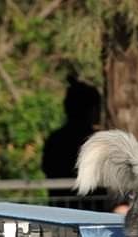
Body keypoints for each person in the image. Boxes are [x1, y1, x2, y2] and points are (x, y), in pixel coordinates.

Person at [41, 75, 102, 208]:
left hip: (61, 210)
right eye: (97, 108)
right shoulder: (96, 141)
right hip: (90, 210)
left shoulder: (55, 139)